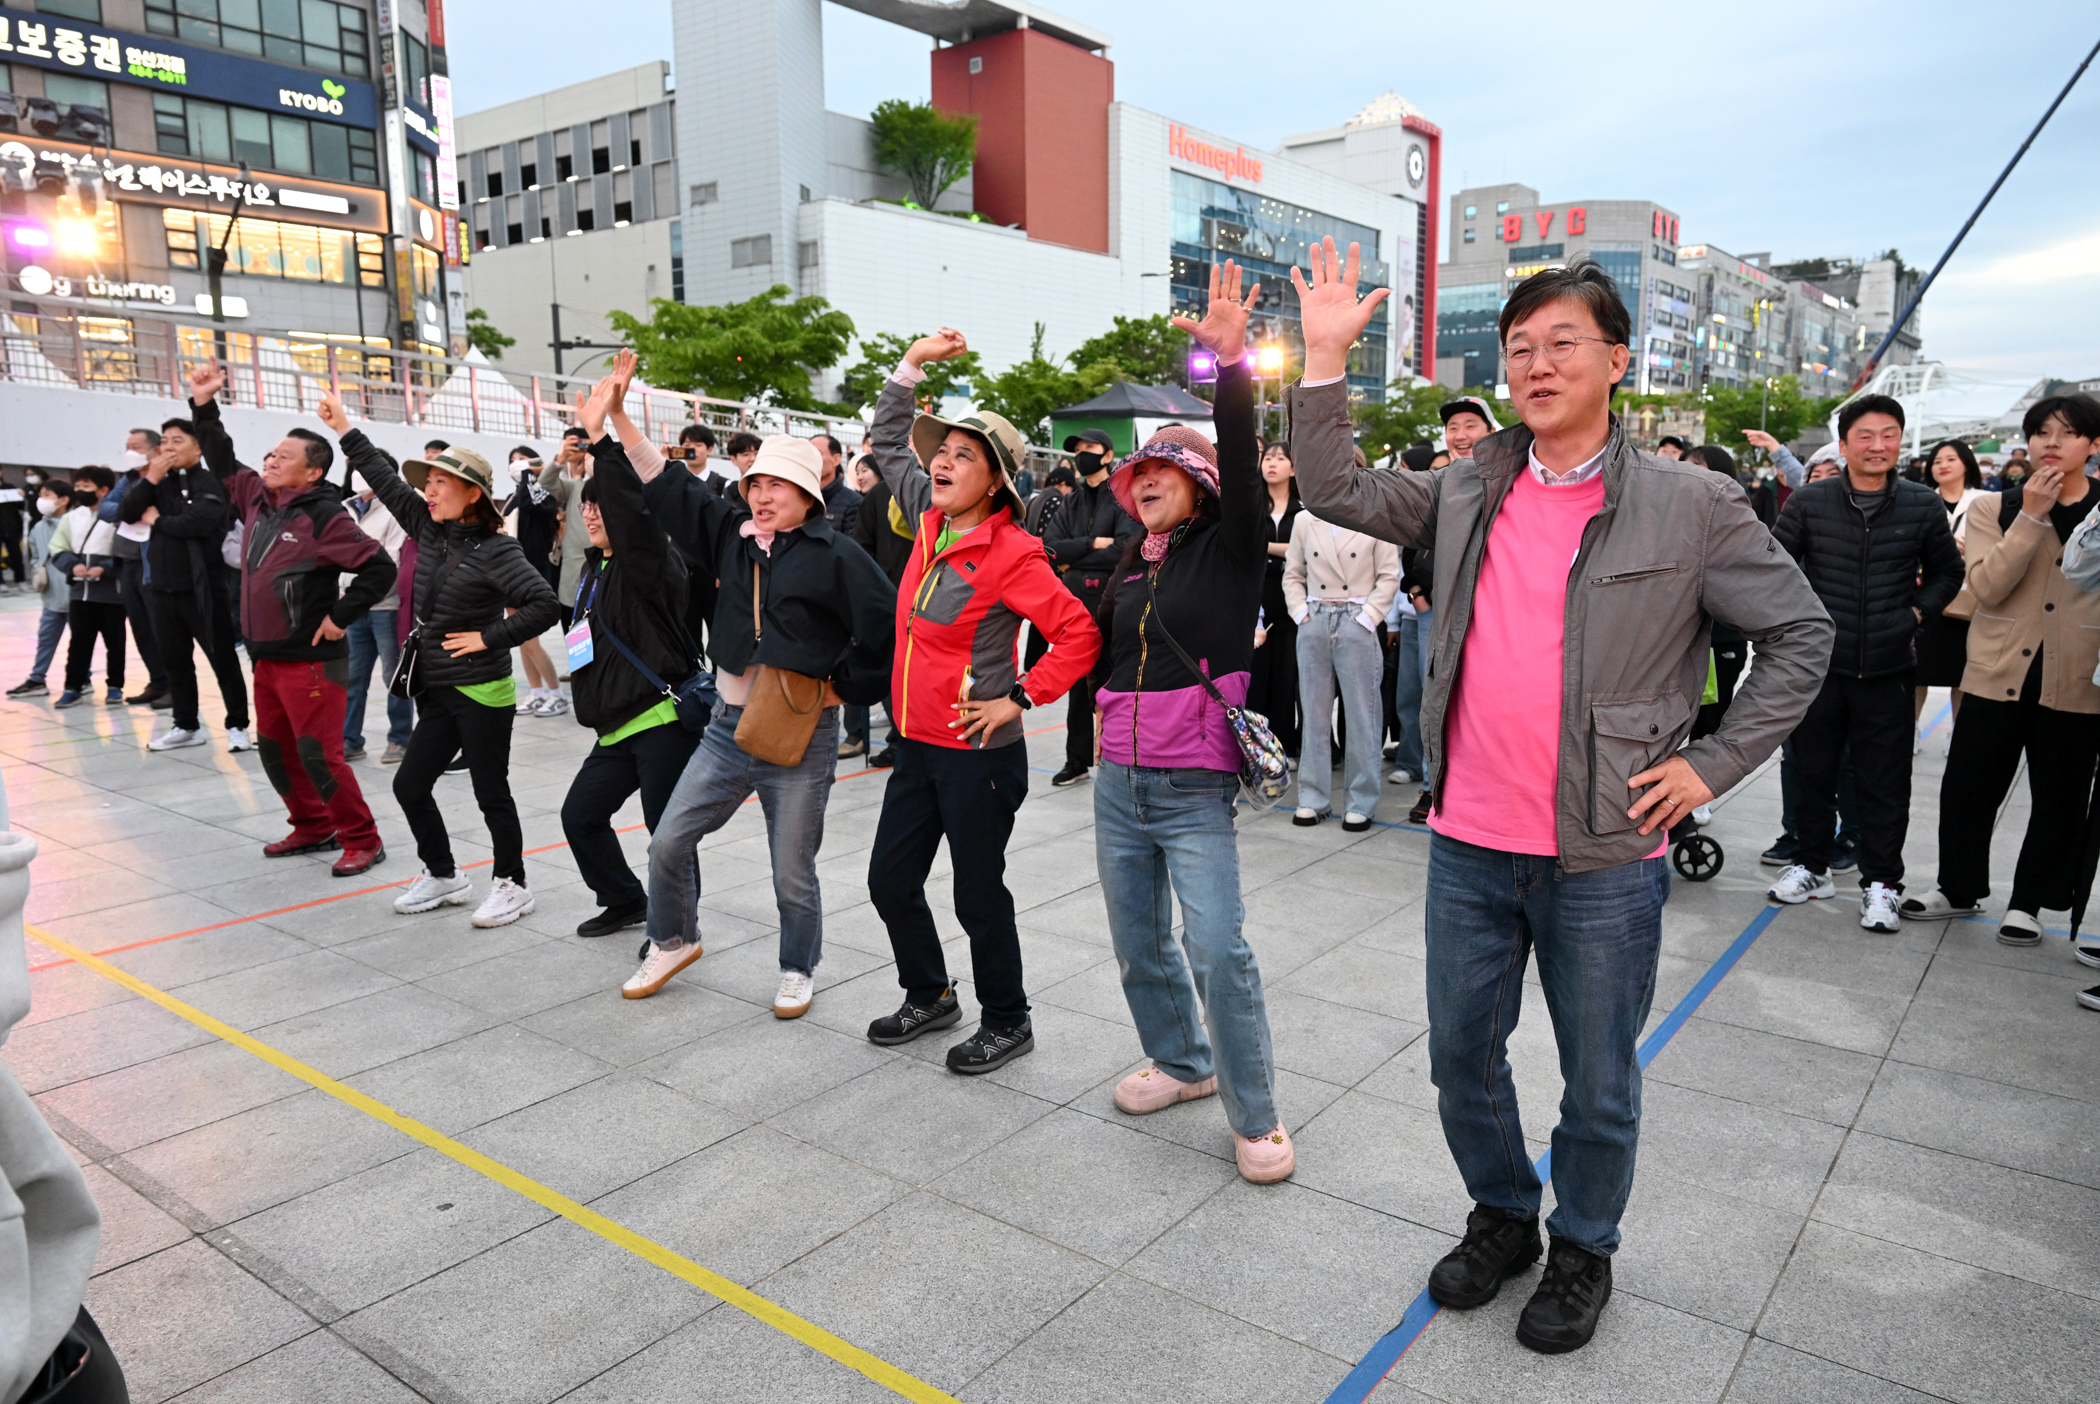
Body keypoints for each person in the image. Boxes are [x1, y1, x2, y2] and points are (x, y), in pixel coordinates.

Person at [1292, 247, 1831, 1352]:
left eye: (1562, 344)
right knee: (1459, 1054)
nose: (1536, 364)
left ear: (1617, 360)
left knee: (1597, 1075)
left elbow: (1800, 633)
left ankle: (1585, 1242)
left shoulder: (1692, 505)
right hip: (1469, 840)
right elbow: (1338, 489)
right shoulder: (1468, 485)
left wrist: (1714, 766)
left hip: (1606, 849)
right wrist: (1327, 358)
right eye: (1520, 347)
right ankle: (1504, 1216)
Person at [1090, 260, 1294, 1185]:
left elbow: (1246, 461)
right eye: (1140, 473)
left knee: (1218, 946)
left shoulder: (1231, 542)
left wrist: (1233, 367)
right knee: (1139, 944)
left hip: (1193, 784)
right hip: (1117, 784)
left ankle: (1256, 1115)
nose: (1146, 482)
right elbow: (1100, 648)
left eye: (1167, 470)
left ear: (1202, 485)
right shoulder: (1134, 559)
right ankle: (1183, 1063)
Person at [860, 327, 1101, 1072]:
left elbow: (1079, 634)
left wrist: (1020, 698)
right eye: (945, 450)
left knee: (976, 891)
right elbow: (889, 442)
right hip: (916, 746)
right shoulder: (927, 519)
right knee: (889, 880)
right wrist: (909, 366)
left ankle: (1008, 1017)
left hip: (978, 756)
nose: (943, 461)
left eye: (965, 454)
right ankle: (930, 993)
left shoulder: (1013, 554)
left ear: (996, 480)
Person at [620, 427, 895, 1009]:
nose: (764, 496)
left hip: (799, 734)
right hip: (724, 728)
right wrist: (619, 419)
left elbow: (885, 631)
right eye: (756, 484)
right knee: (668, 841)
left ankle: (799, 965)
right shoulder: (731, 536)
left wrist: (841, 691)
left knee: (791, 871)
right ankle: (671, 939)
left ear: (809, 492)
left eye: (779, 485)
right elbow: (667, 484)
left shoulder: (839, 555)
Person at [320, 396, 562, 928]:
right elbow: (385, 480)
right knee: (410, 784)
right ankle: (444, 873)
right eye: (426, 482)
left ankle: (512, 884)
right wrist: (345, 429)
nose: (428, 491)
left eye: (440, 483)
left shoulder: (500, 550)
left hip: (481, 690)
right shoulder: (429, 526)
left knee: (490, 790)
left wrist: (487, 637)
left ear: (472, 494)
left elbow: (545, 604)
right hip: (437, 686)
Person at [187, 361, 396, 876]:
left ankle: (362, 838)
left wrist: (341, 617)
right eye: (271, 454)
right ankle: (311, 825)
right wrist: (203, 405)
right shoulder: (257, 499)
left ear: (314, 471)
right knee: (277, 751)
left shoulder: (324, 516)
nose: (271, 461)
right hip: (267, 659)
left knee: (321, 755)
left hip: (313, 661)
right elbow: (220, 456)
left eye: (284, 457)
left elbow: (379, 568)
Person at [1907, 395, 2100, 942]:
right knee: (1968, 786)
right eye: (2041, 432)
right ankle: (1957, 887)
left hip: (2078, 676)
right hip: (1997, 671)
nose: (2051, 443)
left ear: (2093, 444)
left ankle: (2029, 904)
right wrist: (2033, 517)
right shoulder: (1997, 507)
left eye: (2066, 433)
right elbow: (1988, 587)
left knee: (2059, 795)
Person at [1767, 395, 1963, 930]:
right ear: (1845, 442)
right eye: (1866, 436)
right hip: (1819, 668)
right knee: (1811, 773)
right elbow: (1774, 569)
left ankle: (1881, 883)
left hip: (1889, 669)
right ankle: (1811, 866)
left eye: (1889, 435)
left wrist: (1917, 616)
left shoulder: (1922, 504)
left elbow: (1949, 572)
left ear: (1901, 440)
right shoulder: (1810, 502)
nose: (1878, 446)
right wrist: (1796, 630)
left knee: (1885, 782)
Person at [557, 360, 707, 939]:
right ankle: (624, 900)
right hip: (614, 727)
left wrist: (602, 436)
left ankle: (676, 930)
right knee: (581, 817)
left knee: (665, 834)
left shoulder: (652, 563)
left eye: (601, 505)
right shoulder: (595, 572)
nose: (591, 511)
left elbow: (633, 512)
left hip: (661, 720)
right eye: (585, 505)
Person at [122, 411, 252, 753]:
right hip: (162, 589)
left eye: (177, 440)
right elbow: (127, 513)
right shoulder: (157, 482)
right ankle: (186, 725)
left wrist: (159, 519)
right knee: (176, 661)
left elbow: (198, 523)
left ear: (198, 448)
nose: (169, 447)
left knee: (222, 659)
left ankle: (238, 725)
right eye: (164, 441)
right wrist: (150, 479)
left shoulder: (210, 482)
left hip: (204, 588)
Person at [1285, 491, 1400, 830]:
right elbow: (1293, 572)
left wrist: (1367, 618)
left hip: (1356, 616)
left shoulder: (1375, 515)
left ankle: (1361, 801)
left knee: (1363, 714)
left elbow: (1389, 575)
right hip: (1315, 617)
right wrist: (1301, 613)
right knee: (1314, 714)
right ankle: (1313, 798)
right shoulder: (1305, 519)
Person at [1042, 427, 1142, 786]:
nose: (1082, 453)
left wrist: (1077, 556)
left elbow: (1126, 549)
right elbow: (1050, 546)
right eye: (1078, 448)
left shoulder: (1122, 497)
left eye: (1090, 448)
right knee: (1076, 681)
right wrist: (1091, 543)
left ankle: (1122, 756)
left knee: (1116, 678)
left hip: (1112, 601)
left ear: (1107, 455)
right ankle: (1077, 758)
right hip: (1073, 602)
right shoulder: (1070, 500)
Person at [850, 449, 919, 768]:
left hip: (934, 600)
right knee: (895, 674)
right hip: (889, 600)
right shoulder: (878, 497)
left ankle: (915, 739)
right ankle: (901, 738)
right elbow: (861, 548)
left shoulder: (933, 490)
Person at [1911, 438, 1988, 725]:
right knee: (1919, 672)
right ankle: (1910, 732)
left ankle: (1958, 735)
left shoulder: (1986, 501)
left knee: (1963, 674)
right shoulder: (1919, 499)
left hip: (1971, 600)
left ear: (1966, 463)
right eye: (1937, 461)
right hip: (1927, 597)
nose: (1943, 465)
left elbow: (2005, 548)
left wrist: (1978, 548)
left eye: (1951, 459)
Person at [342, 469, 414, 764]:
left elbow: (392, 559)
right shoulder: (346, 508)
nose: (358, 475)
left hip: (384, 605)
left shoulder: (394, 511)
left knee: (393, 676)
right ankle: (350, 739)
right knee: (353, 676)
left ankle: (399, 738)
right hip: (352, 606)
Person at [48, 469, 126, 708]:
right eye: (78, 485)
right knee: (79, 641)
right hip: (80, 593)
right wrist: (73, 566)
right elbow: (57, 548)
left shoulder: (118, 516)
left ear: (103, 490)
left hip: (112, 592)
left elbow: (126, 552)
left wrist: (105, 568)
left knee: (115, 641)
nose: (80, 491)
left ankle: (115, 686)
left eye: (86, 485)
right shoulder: (72, 517)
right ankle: (73, 686)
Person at [1247, 442, 1304, 761]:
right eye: (1268, 457)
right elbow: (1247, 547)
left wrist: (1266, 545)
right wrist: (1282, 548)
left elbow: (1304, 549)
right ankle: (1256, 747)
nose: (1272, 463)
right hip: (1257, 593)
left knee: (1287, 677)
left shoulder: (1303, 508)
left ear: (1293, 468)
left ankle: (1285, 744)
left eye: (1281, 458)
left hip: (1293, 595)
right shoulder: (1253, 506)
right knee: (1257, 675)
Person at [504, 446, 567, 716]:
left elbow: (534, 505)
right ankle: (537, 691)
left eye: (523, 460)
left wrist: (530, 475)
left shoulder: (543, 495)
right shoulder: (512, 497)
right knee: (521, 638)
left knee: (529, 637)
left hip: (532, 572)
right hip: (509, 574)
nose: (518, 465)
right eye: (513, 461)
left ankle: (555, 693)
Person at [113, 429, 169, 707]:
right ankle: (157, 681)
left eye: (135, 446)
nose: (129, 451)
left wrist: (131, 510)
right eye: (127, 445)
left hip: (154, 563)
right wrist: (131, 509)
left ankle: (173, 684)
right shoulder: (129, 478)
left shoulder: (166, 480)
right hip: (128, 561)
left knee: (162, 626)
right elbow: (108, 509)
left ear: (154, 449)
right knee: (140, 626)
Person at [8, 477, 75, 697]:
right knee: (46, 638)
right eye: (41, 495)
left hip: (76, 595)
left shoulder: (76, 523)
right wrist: (39, 570)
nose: (41, 500)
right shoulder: (38, 527)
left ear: (64, 500)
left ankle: (81, 678)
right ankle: (37, 678)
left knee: (80, 642)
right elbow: (36, 556)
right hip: (51, 595)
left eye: (47, 495)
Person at [538, 430, 593, 629]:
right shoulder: (575, 486)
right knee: (575, 642)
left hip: (606, 577)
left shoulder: (617, 487)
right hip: (573, 579)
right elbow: (545, 482)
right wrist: (561, 458)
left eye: (585, 445)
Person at [813, 433, 862, 536]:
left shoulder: (854, 502)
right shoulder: (797, 498)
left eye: (816, 453)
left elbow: (851, 548)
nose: (810, 459)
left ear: (836, 460)